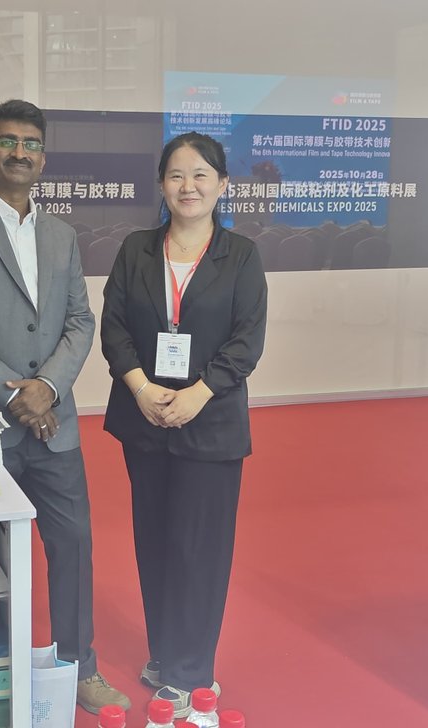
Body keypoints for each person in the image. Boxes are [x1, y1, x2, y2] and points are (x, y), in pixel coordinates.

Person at [0, 100, 128, 713]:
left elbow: (80, 321)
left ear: (43, 157)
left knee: (74, 547)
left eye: (31, 143)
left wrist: (49, 388)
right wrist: (17, 395)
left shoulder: (62, 234)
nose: (20, 152)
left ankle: (79, 666)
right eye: (7, 141)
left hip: (54, 426)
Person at [98, 132, 268, 717]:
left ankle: (192, 673)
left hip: (210, 422)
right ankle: (166, 654)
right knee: (155, 543)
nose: (188, 186)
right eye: (176, 175)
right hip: (145, 419)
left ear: (222, 185)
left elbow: (247, 341)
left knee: (200, 550)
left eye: (200, 175)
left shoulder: (240, 255)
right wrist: (142, 388)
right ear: (161, 185)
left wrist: (199, 393)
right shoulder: (136, 249)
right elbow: (114, 328)